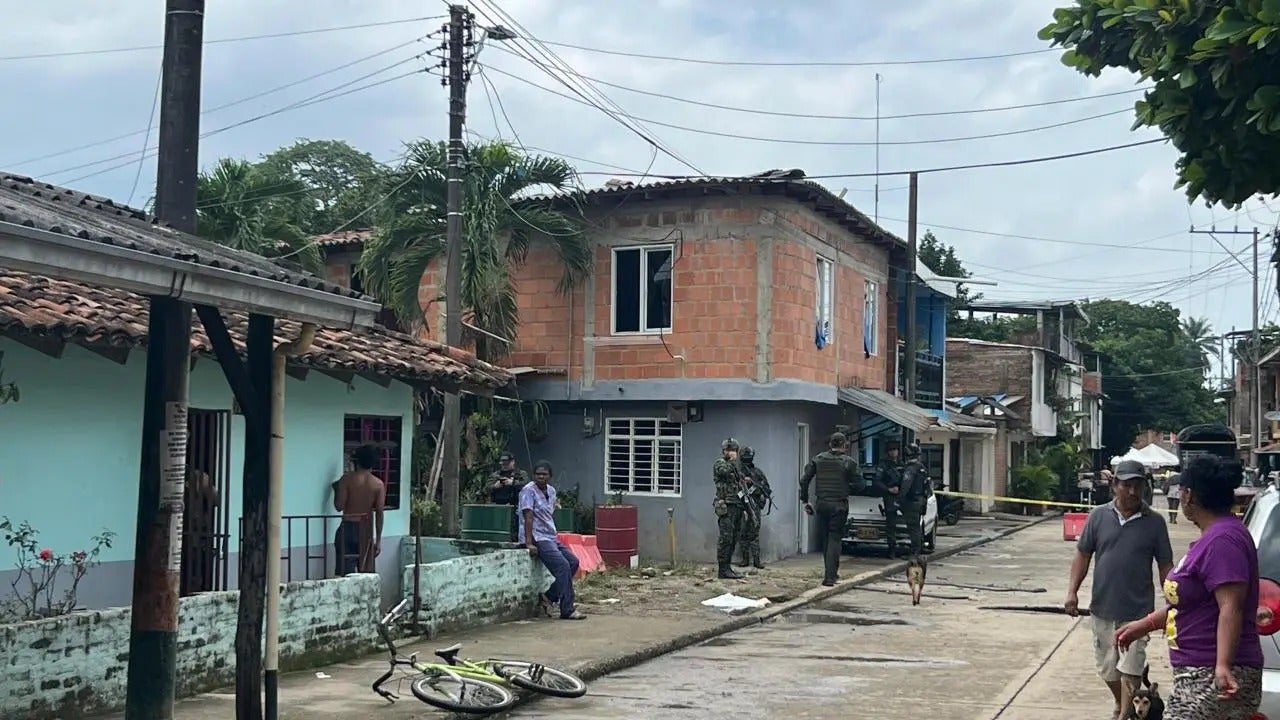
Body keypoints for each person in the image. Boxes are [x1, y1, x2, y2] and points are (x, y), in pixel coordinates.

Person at [1116, 455, 1262, 720]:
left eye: (1181, 489)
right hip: (1197, 671)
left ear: (1189, 495)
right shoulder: (1212, 538)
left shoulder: (1223, 540)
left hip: (1210, 673)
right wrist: (1144, 625)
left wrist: (1222, 665)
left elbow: (1231, 606)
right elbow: (1191, 605)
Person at [1064, 459, 1174, 720]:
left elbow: (1165, 565)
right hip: (1103, 607)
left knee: (1132, 667)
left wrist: (1174, 601)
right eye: (1127, 485)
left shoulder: (1155, 522)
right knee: (1108, 669)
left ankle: (1125, 715)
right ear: (1115, 485)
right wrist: (1072, 591)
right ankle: (1121, 703)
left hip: (1138, 611)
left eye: (1138, 485)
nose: (1133, 492)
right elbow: (1083, 555)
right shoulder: (1098, 516)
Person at [519, 460, 586, 621]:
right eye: (538, 474)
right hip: (538, 537)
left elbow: (549, 514)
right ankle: (567, 609)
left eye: (544, 474)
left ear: (550, 476)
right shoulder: (528, 491)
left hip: (550, 535)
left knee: (573, 562)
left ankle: (549, 596)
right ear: (533, 475)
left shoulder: (551, 491)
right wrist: (529, 542)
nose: (541, 477)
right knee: (562, 566)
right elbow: (528, 517)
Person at [799, 431, 864, 587]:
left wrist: (805, 501)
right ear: (844, 445)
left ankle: (831, 573)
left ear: (830, 444)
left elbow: (804, 480)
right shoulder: (848, 462)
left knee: (826, 539)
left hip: (822, 503)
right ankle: (830, 576)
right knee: (834, 539)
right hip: (839, 504)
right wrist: (848, 486)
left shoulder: (818, 459)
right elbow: (861, 485)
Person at [332, 444, 385, 575]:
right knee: (366, 575)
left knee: (344, 575)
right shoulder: (378, 484)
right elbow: (379, 513)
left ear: (358, 461)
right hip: (365, 530)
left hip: (347, 527)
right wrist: (378, 540)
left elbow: (339, 506)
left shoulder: (347, 480)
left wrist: (336, 490)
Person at [713, 438, 749, 580]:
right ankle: (723, 569)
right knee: (726, 538)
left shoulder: (736, 467)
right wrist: (733, 461)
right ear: (724, 451)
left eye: (734, 450)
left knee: (734, 537)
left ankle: (728, 567)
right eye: (729, 450)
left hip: (737, 505)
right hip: (726, 505)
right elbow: (724, 471)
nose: (732, 453)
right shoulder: (720, 464)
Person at [735, 445, 772, 570]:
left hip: (754, 506)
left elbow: (767, 489)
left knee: (754, 534)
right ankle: (745, 560)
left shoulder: (757, 473)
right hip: (741, 506)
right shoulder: (737, 472)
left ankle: (756, 561)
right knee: (743, 534)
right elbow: (734, 489)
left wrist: (754, 484)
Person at [871, 441, 903, 558]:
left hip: (902, 496)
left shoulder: (902, 464)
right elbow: (877, 481)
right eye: (891, 450)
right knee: (891, 525)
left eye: (895, 449)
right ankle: (892, 549)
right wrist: (888, 489)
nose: (893, 452)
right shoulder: (883, 465)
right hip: (889, 496)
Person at [897, 443, 928, 560]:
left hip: (911, 502)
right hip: (920, 501)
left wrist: (898, 501)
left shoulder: (911, 469)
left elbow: (905, 486)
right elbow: (927, 486)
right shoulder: (922, 468)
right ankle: (917, 550)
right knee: (917, 527)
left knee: (913, 528)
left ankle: (915, 553)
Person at [488, 451, 529, 541]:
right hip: (499, 507)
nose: (504, 465)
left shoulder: (521, 474)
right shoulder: (495, 475)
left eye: (507, 462)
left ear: (513, 462)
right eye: (502, 462)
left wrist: (513, 483)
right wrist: (495, 486)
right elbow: (486, 489)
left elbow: (527, 486)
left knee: (517, 529)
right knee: (498, 529)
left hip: (516, 506)